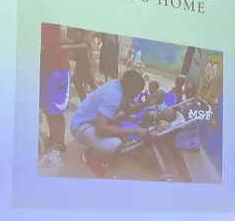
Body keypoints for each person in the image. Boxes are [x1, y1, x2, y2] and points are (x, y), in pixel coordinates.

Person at [70, 70, 151, 178]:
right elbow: (101, 131)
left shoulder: (121, 86)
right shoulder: (114, 95)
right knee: (115, 145)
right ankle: (92, 156)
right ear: (129, 87)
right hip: (81, 126)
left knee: (122, 123)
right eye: (136, 92)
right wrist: (135, 131)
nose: (136, 95)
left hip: (93, 122)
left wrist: (148, 102)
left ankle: (98, 146)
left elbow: (129, 110)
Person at [39, 23, 72, 168]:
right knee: (46, 107)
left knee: (55, 110)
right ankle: (53, 138)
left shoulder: (52, 21)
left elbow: (54, 42)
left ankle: (60, 145)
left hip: (57, 68)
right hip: (43, 67)